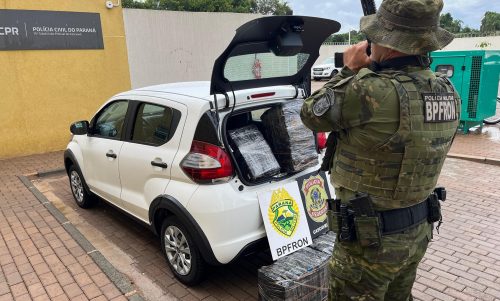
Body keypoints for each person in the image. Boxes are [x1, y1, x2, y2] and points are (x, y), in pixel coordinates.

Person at [300, 0, 460, 300]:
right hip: (416, 232)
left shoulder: (368, 90)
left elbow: (310, 114)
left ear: (388, 42)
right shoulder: (447, 91)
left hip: (369, 243)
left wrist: (348, 69)